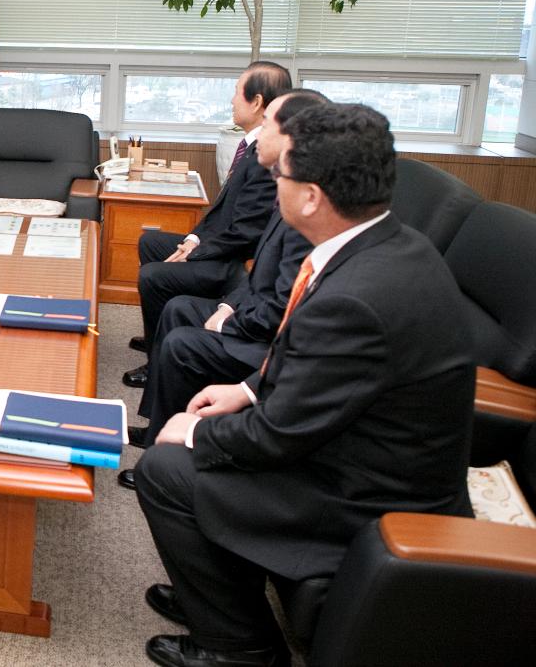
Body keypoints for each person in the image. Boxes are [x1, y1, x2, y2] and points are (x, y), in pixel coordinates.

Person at [132, 103, 474, 667]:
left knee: (166, 469)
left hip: (369, 492)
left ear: (312, 196)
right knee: (205, 433)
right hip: (355, 444)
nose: (273, 184)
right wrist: (246, 389)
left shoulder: (355, 298)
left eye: (280, 174)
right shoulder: (384, 244)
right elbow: (313, 368)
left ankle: (240, 648)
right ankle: (218, 583)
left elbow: (278, 437)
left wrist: (192, 433)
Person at [118, 90, 327, 488]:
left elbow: (283, 303)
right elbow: (261, 274)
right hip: (246, 299)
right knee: (179, 309)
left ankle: (172, 450)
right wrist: (229, 305)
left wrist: (230, 320)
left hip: (263, 337)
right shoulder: (285, 185)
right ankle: (159, 423)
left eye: (270, 125)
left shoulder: (303, 209)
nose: (260, 130)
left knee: (181, 337)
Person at [124, 61, 290, 378]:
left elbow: (247, 231)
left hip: (233, 262)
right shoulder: (250, 146)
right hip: (218, 247)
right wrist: (193, 239)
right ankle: (155, 337)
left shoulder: (265, 156)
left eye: (236, 92)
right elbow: (220, 212)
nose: (231, 100)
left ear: (256, 102)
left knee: (153, 276)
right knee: (152, 243)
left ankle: (157, 364)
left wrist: (198, 252)